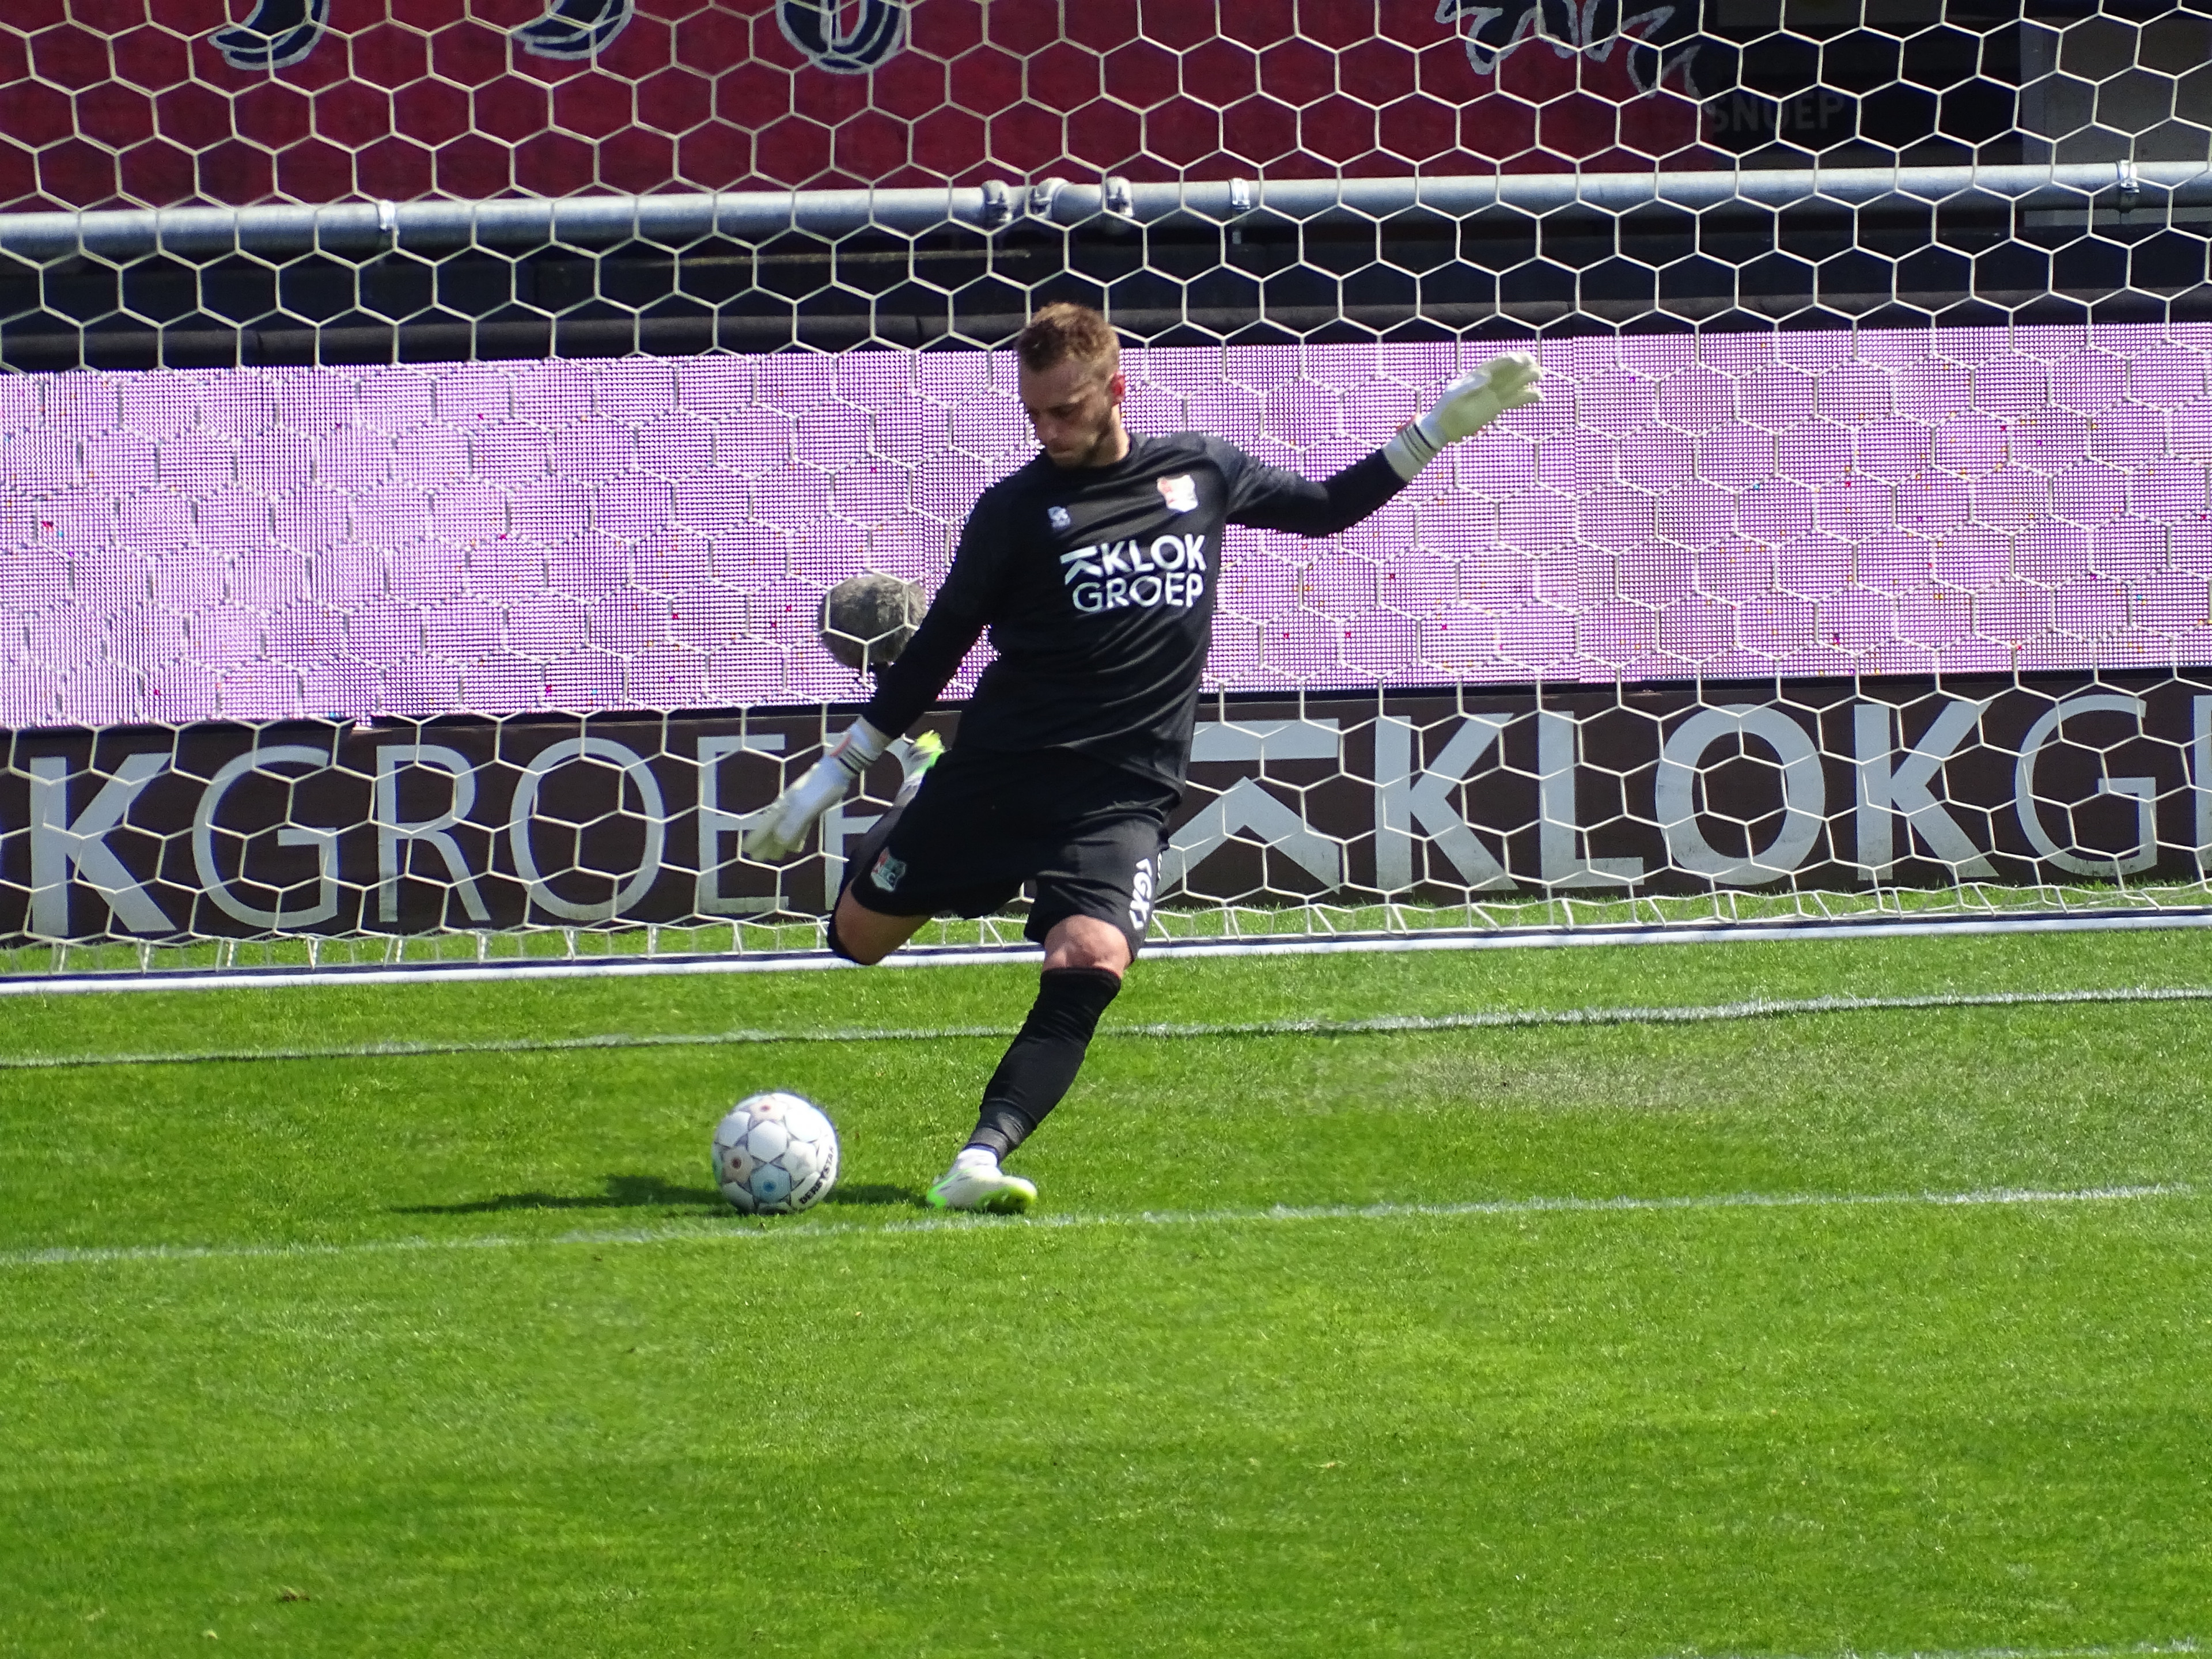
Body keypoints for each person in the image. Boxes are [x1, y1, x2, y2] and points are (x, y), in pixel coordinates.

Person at [746, 302, 1543, 1213]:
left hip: (1121, 795)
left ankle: (978, 1159)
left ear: (1116, 389)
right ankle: (923, 793)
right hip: (999, 778)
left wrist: (1442, 425)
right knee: (859, 942)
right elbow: (936, 652)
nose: (1048, 430)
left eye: (1066, 411)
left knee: (1092, 957)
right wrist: (830, 777)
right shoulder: (1013, 513)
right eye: (1033, 414)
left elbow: (1326, 511)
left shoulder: (1201, 473)